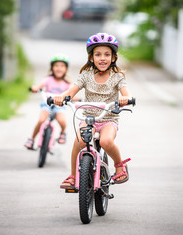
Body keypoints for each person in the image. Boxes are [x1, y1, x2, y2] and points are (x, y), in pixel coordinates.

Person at [53, 33, 132, 189]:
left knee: (106, 141)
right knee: (79, 141)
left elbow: (126, 93)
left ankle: (119, 166)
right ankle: (73, 176)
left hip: (108, 119)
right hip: (89, 118)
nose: (102, 58)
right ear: (91, 58)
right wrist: (61, 97)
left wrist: (125, 99)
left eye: (107, 54)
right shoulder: (86, 75)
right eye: (98, 54)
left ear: (114, 58)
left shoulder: (117, 77)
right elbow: (71, 91)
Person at [24, 54, 71, 150]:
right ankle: (32, 139)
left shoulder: (67, 84)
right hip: (47, 104)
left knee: (62, 120)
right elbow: (40, 86)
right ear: (52, 68)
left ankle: (62, 133)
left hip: (59, 106)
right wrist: (35, 88)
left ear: (66, 69)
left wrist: (75, 99)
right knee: (41, 120)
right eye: (56, 66)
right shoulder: (48, 80)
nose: (59, 68)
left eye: (62, 66)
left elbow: (71, 93)